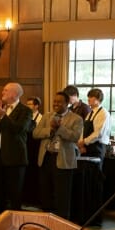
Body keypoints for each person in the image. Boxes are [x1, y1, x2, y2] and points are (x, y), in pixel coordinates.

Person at [0, 82, 35, 212]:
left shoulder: (25, 110)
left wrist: (3, 116)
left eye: (5, 90)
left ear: (14, 94)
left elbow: (19, 129)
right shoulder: (1, 108)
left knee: (14, 195)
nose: (2, 93)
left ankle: (15, 227)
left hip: (15, 159)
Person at [33, 91, 82, 220]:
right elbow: (36, 133)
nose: (56, 104)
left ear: (67, 103)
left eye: (59, 102)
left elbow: (75, 137)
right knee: (46, 194)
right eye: (54, 102)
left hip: (63, 161)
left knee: (62, 196)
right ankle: (46, 220)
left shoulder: (76, 119)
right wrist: (50, 130)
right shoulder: (47, 116)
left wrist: (59, 129)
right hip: (46, 158)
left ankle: (62, 224)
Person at [79, 88, 111, 161]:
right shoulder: (90, 113)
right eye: (88, 97)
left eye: (91, 97)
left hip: (97, 148)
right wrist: (81, 144)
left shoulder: (103, 113)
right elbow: (83, 130)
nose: (88, 99)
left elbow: (98, 134)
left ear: (98, 99)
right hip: (86, 148)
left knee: (95, 171)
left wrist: (84, 142)